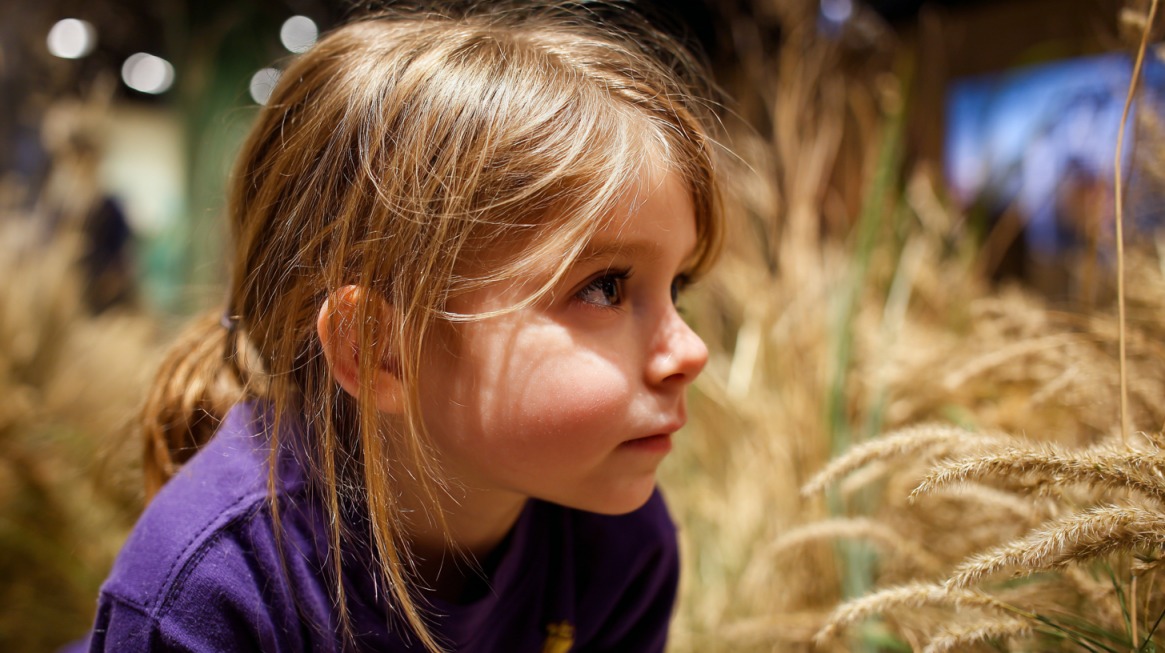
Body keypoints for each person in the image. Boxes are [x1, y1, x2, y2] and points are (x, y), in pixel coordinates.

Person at [80, 2, 723, 651]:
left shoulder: (621, 547)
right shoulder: (210, 589)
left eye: (678, 289)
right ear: (379, 348)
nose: (690, 351)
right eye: (604, 286)